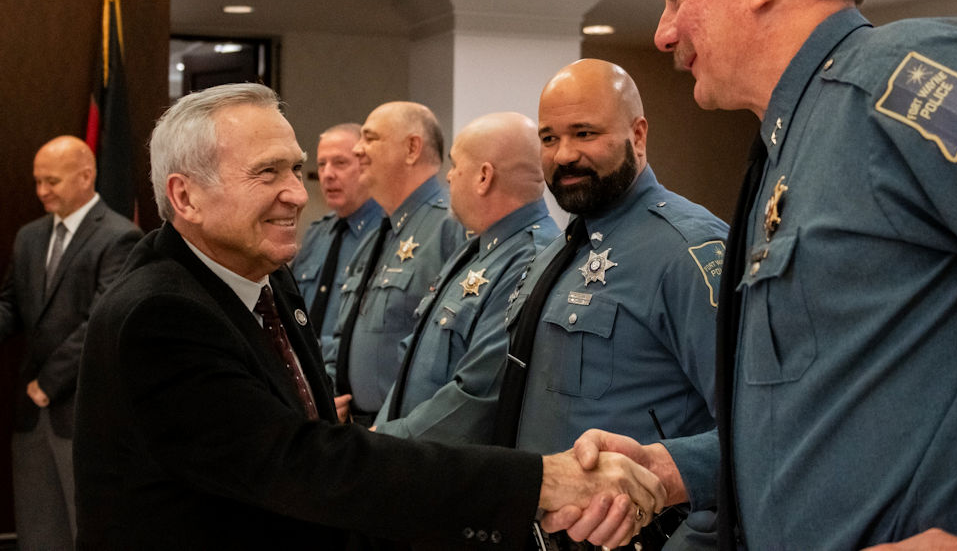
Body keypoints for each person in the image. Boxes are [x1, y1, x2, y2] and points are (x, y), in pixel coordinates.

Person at [552, 0, 957, 550]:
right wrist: (675, 467)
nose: (665, 32)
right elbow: (813, 412)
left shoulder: (898, 81)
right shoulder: (783, 150)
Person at [73, 83, 668, 550]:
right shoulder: (161, 315)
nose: (298, 193)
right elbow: (303, 464)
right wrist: (539, 481)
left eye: (292, 168)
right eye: (266, 173)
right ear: (185, 197)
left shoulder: (263, 275)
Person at [495, 59, 727, 549]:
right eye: (549, 138)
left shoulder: (688, 251)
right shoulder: (561, 250)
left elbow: (756, 432)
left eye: (584, 133)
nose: (564, 155)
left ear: (638, 135)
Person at [372, 112, 559, 443]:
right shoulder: (476, 248)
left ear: (483, 177)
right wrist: (383, 431)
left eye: (455, 165)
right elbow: (412, 361)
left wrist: (388, 443)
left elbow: (476, 396)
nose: (448, 177)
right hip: (414, 459)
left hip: (447, 470)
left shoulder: (531, 259)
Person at [0, 135, 140, 550]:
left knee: (88, 532)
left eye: (52, 182)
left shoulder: (120, 237)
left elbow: (103, 322)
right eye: (38, 181)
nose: (42, 191)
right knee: (38, 531)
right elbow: (11, 304)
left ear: (85, 176)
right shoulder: (29, 236)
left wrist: (48, 384)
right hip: (30, 417)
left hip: (82, 412)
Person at [329, 101, 466, 424]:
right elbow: (343, 333)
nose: (358, 149)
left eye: (370, 138)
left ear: (411, 148)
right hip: (359, 428)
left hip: (407, 432)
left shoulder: (450, 226)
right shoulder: (379, 234)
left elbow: (458, 350)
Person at [292, 122, 382, 419]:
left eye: (340, 163)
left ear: (367, 165)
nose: (328, 174)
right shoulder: (317, 234)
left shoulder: (387, 236)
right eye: (321, 164)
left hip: (355, 405)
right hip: (305, 391)